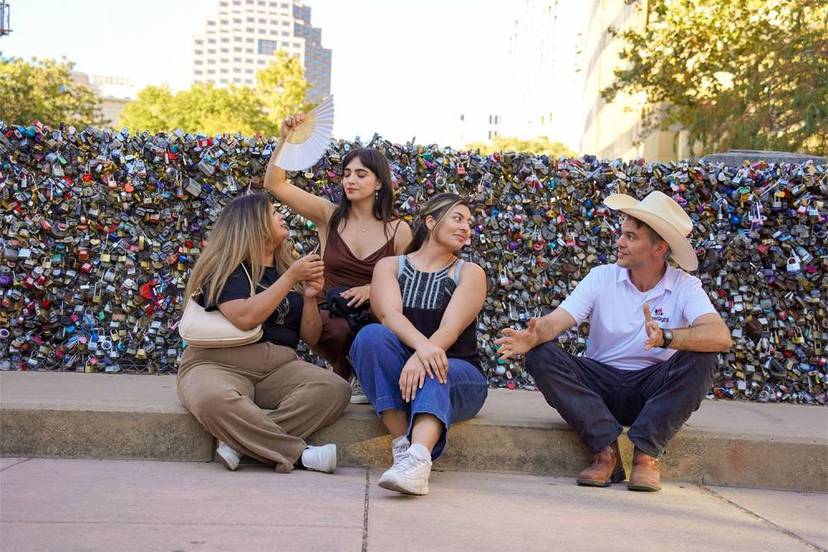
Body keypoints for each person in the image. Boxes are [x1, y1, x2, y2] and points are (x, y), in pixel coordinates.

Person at [496, 191, 732, 492]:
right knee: (541, 355)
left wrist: (667, 338)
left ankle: (646, 457)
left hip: (652, 392)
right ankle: (605, 453)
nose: (620, 242)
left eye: (631, 237)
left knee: (703, 355)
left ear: (659, 248)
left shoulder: (685, 287)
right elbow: (558, 320)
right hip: (601, 384)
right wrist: (535, 335)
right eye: (622, 234)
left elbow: (720, 336)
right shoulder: (601, 277)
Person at [177, 193, 351, 474]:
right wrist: (291, 278)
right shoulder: (225, 269)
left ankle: (240, 443)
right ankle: (300, 455)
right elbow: (245, 317)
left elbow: (311, 337)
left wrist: (308, 297)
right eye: (272, 213)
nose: (281, 216)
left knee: (334, 389)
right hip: (216, 363)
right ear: (252, 224)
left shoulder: (285, 270)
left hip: (279, 368)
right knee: (211, 400)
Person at [265, 115, 412, 403]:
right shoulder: (329, 215)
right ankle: (345, 375)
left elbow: (409, 280)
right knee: (339, 326)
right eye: (346, 173)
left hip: (375, 311)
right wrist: (286, 138)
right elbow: (275, 183)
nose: (350, 180)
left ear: (379, 183)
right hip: (327, 311)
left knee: (376, 328)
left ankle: (358, 376)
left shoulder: (400, 230)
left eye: (360, 174)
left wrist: (373, 290)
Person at [349, 193, 489, 495]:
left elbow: (450, 329)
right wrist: (419, 350)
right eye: (457, 218)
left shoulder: (470, 273)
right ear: (430, 222)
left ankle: (418, 460)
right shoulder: (389, 266)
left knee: (437, 368)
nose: (466, 227)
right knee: (370, 337)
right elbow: (388, 315)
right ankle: (403, 446)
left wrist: (421, 356)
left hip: (459, 376)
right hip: (406, 375)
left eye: (469, 222)